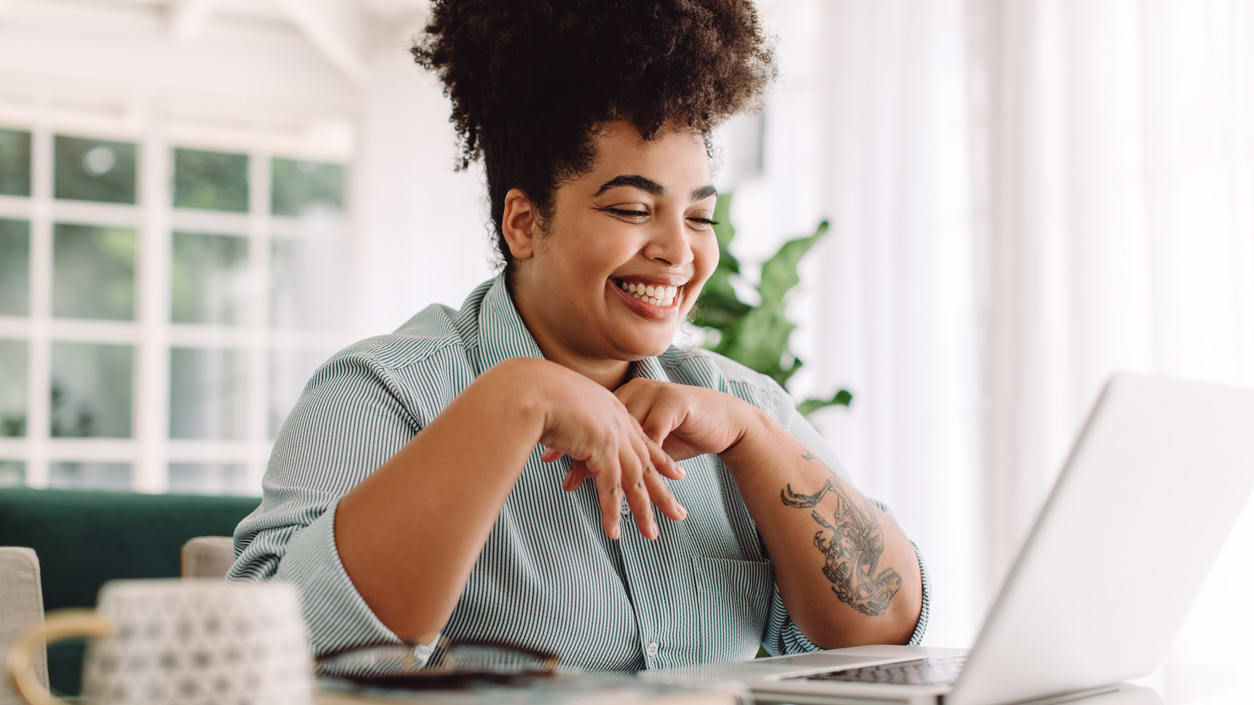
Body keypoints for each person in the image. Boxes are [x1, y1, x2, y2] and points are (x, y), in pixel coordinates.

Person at [230, 0, 929, 673]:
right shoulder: (382, 394)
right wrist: (513, 400)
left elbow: (887, 637)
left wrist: (756, 441)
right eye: (632, 208)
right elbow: (272, 656)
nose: (678, 252)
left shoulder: (736, 406)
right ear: (524, 223)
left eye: (699, 217)